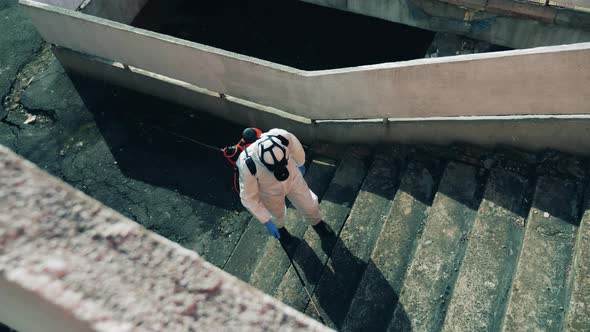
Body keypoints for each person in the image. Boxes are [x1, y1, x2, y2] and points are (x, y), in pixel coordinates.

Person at [236, 128, 326, 241]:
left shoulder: (281, 136)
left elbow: (295, 147)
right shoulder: (247, 163)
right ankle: (282, 233)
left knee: (309, 205)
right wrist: (266, 220)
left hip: (293, 179)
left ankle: (318, 224)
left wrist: (300, 162)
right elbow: (248, 197)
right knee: (276, 216)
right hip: (270, 193)